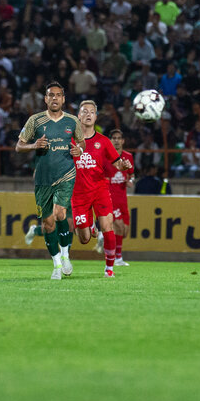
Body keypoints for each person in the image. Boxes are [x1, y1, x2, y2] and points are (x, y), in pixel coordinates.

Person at [17, 81, 83, 280]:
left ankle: (65, 256)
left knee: (60, 213)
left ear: (63, 99)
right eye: (51, 95)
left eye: (58, 95)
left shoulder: (72, 121)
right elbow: (19, 146)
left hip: (66, 174)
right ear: (45, 99)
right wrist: (34, 145)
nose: (54, 98)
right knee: (47, 224)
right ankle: (56, 264)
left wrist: (79, 150)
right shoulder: (35, 121)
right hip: (43, 179)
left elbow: (81, 142)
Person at [68, 101, 132, 277]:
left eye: (92, 112)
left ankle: (109, 269)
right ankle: (90, 227)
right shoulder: (70, 140)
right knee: (84, 238)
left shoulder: (103, 141)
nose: (88, 114)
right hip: (78, 193)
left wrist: (124, 165)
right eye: (84, 112)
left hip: (99, 189)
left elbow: (117, 163)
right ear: (78, 116)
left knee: (107, 225)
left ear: (95, 117)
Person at [103, 128, 136, 266]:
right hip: (111, 197)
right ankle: (117, 258)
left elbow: (132, 174)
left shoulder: (128, 156)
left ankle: (102, 237)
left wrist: (131, 181)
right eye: (114, 138)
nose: (116, 141)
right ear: (110, 141)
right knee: (119, 226)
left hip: (123, 198)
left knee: (125, 231)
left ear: (123, 141)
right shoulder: (106, 157)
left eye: (118, 138)